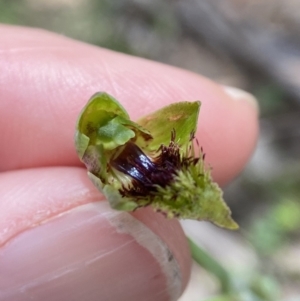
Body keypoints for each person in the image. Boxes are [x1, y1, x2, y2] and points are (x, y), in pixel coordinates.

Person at [0, 25, 259, 301]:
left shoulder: (146, 146)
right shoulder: (113, 178)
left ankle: (214, 210)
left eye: (124, 136)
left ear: (134, 126)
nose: (119, 141)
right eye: (112, 142)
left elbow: (185, 114)